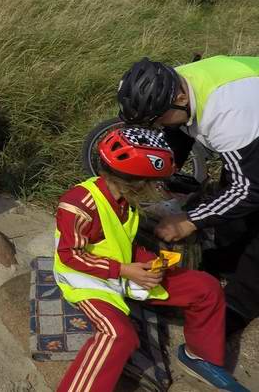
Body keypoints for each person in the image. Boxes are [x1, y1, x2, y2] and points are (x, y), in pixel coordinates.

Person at [54, 127, 245, 391]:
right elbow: (69, 255)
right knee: (118, 335)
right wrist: (123, 269)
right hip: (88, 281)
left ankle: (199, 357)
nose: (156, 189)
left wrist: (150, 262)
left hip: (126, 272)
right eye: (152, 183)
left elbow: (121, 240)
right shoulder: (79, 204)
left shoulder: (124, 200)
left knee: (205, 287)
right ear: (134, 182)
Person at [117, 56, 259, 334]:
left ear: (180, 97)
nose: (156, 123)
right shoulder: (173, 83)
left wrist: (188, 221)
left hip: (247, 112)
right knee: (229, 194)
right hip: (249, 116)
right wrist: (158, 173)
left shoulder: (228, 115)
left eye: (157, 118)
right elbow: (177, 130)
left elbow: (249, 189)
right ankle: (223, 262)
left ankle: (237, 308)